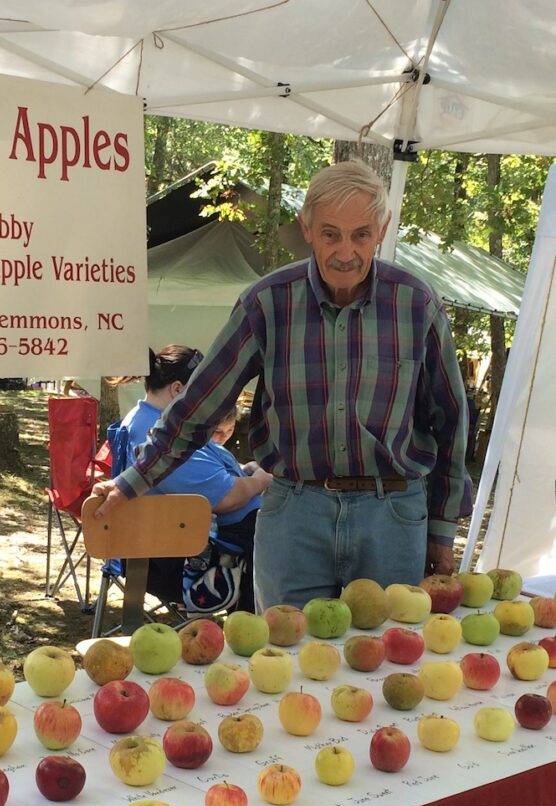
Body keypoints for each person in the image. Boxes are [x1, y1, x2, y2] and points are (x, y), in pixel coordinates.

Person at [93, 160, 473, 610]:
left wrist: (442, 530)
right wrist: (132, 481)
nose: (345, 251)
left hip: (391, 516)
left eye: (362, 234)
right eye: (331, 233)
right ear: (307, 228)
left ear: (383, 228)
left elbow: (450, 421)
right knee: (284, 663)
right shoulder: (268, 303)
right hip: (294, 513)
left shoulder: (415, 303)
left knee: (389, 667)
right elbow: (197, 407)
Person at [120, 346, 272, 612]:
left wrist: (244, 470)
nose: (209, 400)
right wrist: (262, 478)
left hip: (197, 540)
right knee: (293, 538)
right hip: (191, 554)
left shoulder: (156, 421)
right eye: (202, 392)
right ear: (178, 389)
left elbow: (211, 473)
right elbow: (227, 497)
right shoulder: (155, 433)